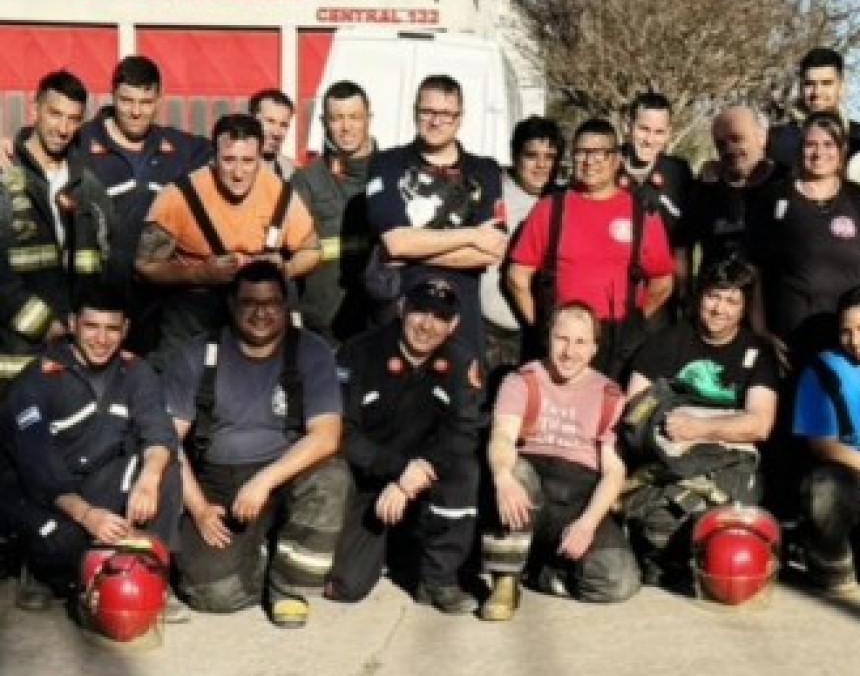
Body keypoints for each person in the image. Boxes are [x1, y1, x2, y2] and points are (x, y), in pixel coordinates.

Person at [165, 261, 349, 627]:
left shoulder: (312, 352)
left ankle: (288, 587)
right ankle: (262, 554)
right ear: (232, 304)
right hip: (217, 483)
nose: (261, 313)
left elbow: (327, 436)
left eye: (272, 303)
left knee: (332, 476)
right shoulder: (195, 355)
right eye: (250, 303)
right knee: (212, 595)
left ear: (286, 306)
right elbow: (165, 443)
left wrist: (264, 481)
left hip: (284, 479)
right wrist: (200, 509)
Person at [0, 285, 180, 611]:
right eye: (91, 326)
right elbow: (38, 467)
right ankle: (38, 572)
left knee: (166, 468)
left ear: (125, 329)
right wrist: (88, 515)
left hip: (98, 482)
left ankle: (146, 574)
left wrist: (149, 479)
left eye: (112, 329)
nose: (102, 339)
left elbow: (159, 433)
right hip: (47, 497)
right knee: (64, 546)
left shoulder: (136, 372)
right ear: (72, 324)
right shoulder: (37, 379)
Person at [325, 278, 482, 614]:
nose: (427, 325)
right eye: (420, 311)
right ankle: (393, 551)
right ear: (401, 309)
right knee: (347, 587)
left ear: (453, 324)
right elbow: (340, 432)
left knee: (464, 471)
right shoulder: (359, 352)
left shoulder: (462, 362)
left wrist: (411, 477)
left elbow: (462, 433)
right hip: (368, 476)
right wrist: (396, 469)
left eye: (440, 317)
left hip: (423, 476)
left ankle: (439, 580)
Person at [622, 258, 779, 587]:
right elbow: (634, 413)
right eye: (713, 296)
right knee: (661, 522)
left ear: (745, 307)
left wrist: (699, 427)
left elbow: (760, 423)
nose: (720, 308)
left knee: (722, 525)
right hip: (668, 458)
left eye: (732, 300)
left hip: (731, 463)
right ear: (698, 297)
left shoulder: (756, 353)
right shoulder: (665, 343)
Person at [480, 302, 640, 621]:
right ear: (548, 338)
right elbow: (502, 437)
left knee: (618, 582)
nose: (569, 352)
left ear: (594, 348)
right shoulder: (522, 380)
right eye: (562, 339)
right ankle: (505, 580)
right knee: (516, 471)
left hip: (578, 498)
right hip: (530, 494)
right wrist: (502, 477)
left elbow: (613, 471)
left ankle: (542, 574)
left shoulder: (609, 395)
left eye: (580, 342)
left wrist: (588, 523)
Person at [136, 113, 319, 372]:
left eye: (248, 161)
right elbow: (145, 266)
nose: (238, 173)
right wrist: (200, 274)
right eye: (229, 160)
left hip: (257, 312)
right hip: (193, 313)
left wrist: (284, 268)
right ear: (214, 157)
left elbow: (311, 250)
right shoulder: (178, 196)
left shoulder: (280, 193)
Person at [507, 117, 674, 379]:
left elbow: (662, 282)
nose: (589, 161)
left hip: (617, 343)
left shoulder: (641, 214)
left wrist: (634, 324)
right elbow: (517, 277)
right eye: (581, 153)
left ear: (616, 159)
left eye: (599, 153)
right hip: (562, 340)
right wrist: (543, 328)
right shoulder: (551, 209)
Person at [78, 55, 211, 353]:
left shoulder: (179, 150)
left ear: (159, 100)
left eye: (146, 102)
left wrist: (273, 161)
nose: (136, 112)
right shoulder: (81, 143)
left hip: (158, 310)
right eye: (127, 101)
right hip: (99, 309)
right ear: (112, 95)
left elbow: (231, 152)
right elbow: (38, 147)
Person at [366, 74, 505, 357]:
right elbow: (396, 243)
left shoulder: (486, 171)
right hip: (398, 312)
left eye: (446, 114)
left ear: (460, 117)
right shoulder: (387, 164)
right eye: (427, 112)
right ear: (414, 112)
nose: (436, 121)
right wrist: (473, 235)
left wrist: (412, 250)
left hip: (461, 319)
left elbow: (490, 253)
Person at [0, 70, 114, 383]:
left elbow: (104, 268)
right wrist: (43, 324)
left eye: (73, 119)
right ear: (33, 110)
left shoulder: (89, 188)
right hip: (13, 353)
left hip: (74, 355)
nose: (63, 129)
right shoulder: (5, 176)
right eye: (55, 114)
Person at [749, 111, 860, 371]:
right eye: (811, 144)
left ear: (841, 150)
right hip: (790, 341)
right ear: (801, 148)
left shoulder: (856, 198)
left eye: (828, 144)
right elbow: (755, 267)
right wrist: (760, 328)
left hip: (850, 341)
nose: (819, 153)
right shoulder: (774, 198)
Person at [480, 115, 562, 382]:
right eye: (532, 155)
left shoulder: (563, 202)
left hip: (540, 335)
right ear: (515, 155)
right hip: (488, 331)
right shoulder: (490, 193)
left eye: (549, 156)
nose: (541, 165)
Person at [292, 81, 376, 343]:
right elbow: (290, 252)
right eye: (337, 118)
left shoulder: (391, 173)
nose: (346, 127)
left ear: (369, 119)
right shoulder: (306, 180)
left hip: (378, 322)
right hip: (322, 328)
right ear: (323, 122)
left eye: (354, 117)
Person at [793, 285, 860, 597]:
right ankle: (833, 563)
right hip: (849, 475)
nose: (854, 341)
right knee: (823, 490)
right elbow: (821, 443)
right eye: (846, 332)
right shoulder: (823, 369)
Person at [688, 104, 786, 276]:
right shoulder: (705, 189)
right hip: (720, 297)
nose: (729, 149)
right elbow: (683, 244)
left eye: (737, 138)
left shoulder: (786, 184)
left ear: (761, 137)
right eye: (721, 144)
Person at [620, 92, 694, 307]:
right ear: (628, 125)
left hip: (661, 294)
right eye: (643, 129)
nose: (650, 140)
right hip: (614, 288)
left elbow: (683, 243)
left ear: (668, 133)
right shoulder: (607, 165)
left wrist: (684, 292)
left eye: (659, 132)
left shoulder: (678, 172)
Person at [768, 47, 860, 170]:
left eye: (826, 83)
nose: (817, 92)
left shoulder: (857, 139)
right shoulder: (776, 141)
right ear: (800, 88)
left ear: (842, 87)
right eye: (809, 84)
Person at [247, 88, 295, 181]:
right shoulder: (225, 165)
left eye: (283, 125)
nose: (276, 133)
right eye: (270, 121)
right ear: (251, 120)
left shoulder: (290, 172)